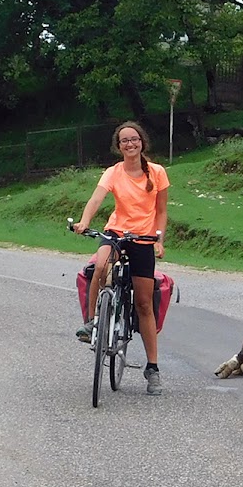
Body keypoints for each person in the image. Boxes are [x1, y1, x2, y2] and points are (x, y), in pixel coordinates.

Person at [72, 121, 170, 395]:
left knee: (143, 303)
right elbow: (96, 199)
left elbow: (161, 210)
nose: (130, 144)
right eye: (124, 141)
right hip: (115, 232)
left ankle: (152, 368)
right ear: (119, 146)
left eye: (134, 139)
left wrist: (159, 240)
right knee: (100, 265)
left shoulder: (157, 173)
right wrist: (84, 221)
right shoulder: (113, 173)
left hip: (143, 239)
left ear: (142, 142)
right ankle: (92, 322)